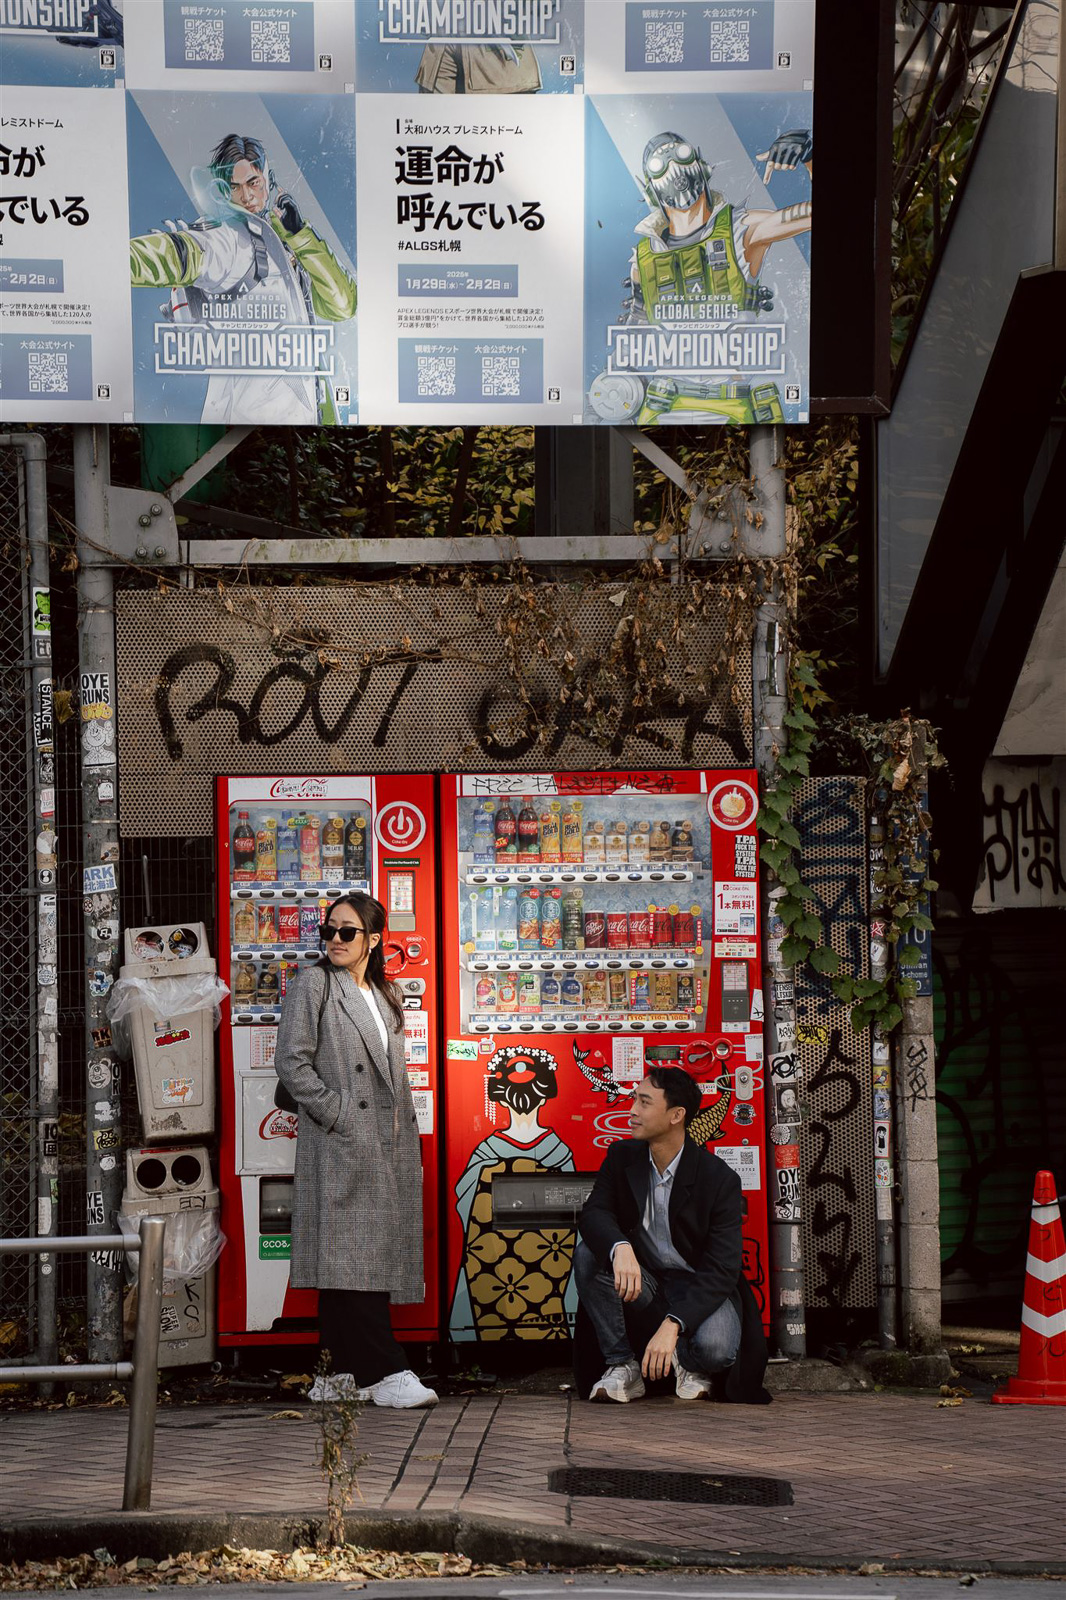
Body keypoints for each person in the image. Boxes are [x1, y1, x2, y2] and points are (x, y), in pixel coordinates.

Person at [274, 892, 437, 1409]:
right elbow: (291, 1064)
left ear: (373, 939)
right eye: (330, 931)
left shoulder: (385, 993)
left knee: (354, 1255)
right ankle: (384, 1370)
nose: (335, 940)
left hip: (386, 1143)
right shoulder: (313, 984)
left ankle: (337, 1373)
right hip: (343, 1141)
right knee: (355, 1255)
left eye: (347, 932)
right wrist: (338, 1114)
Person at [130, 133, 356, 425]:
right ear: (223, 191)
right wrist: (105, 260)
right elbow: (178, 254)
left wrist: (299, 235)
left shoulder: (284, 243)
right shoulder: (232, 237)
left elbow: (342, 306)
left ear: (268, 179)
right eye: (234, 187)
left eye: (253, 183)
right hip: (249, 424)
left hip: (299, 423)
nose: (246, 196)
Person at [590, 128, 812, 426]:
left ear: (700, 163)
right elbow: (633, 336)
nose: (674, 168)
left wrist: (810, 157)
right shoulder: (644, 257)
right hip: (661, 402)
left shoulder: (743, 230)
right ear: (650, 185)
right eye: (659, 165)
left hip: (733, 401)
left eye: (680, 155)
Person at [575, 1066, 770, 1404]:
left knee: (716, 1352)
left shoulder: (718, 1179)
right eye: (634, 1099)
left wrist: (673, 1324)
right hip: (645, 1282)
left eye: (645, 1102)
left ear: (676, 1115)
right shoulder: (622, 1157)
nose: (632, 1110)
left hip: (697, 1287)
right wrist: (620, 1246)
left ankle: (683, 1360)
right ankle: (623, 1364)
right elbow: (595, 1212)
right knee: (589, 1252)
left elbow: (722, 1268)